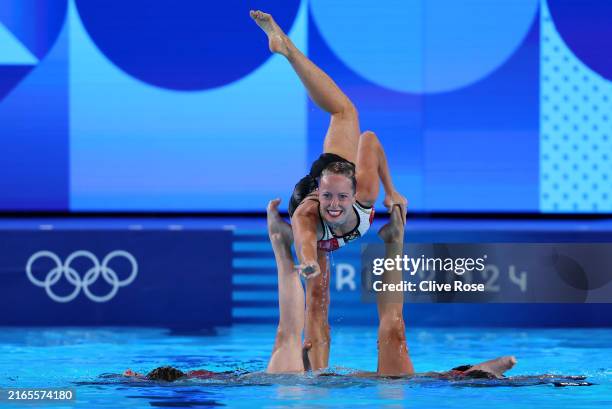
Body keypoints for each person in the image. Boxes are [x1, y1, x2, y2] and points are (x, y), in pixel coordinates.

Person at [249, 9, 407, 371]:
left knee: (346, 113)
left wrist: (391, 190)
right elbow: (305, 240)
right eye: (328, 198)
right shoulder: (310, 212)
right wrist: (306, 262)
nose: (333, 206)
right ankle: (318, 375)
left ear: (354, 193)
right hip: (313, 217)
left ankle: (286, 48)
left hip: (337, 172)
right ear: (318, 193)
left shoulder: (363, 192)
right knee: (318, 299)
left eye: (341, 197)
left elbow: (370, 141)